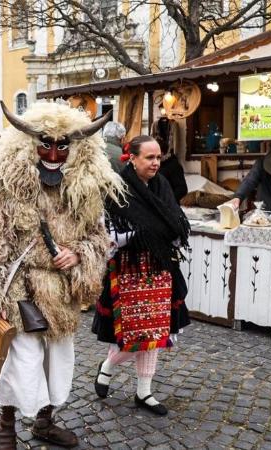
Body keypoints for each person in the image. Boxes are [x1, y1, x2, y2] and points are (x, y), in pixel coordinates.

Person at [0, 102, 123, 449]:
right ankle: (5, 426)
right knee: (19, 359)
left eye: (62, 146)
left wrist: (77, 254)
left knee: (57, 362)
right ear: (26, 145)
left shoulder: (84, 190)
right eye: (44, 143)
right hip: (18, 287)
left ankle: (45, 423)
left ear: (76, 149)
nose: (52, 153)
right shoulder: (6, 186)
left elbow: (97, 237)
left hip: (60, 292)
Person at [92, 135, 191, 416]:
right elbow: (107, 234)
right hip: (129, 268)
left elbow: (175, 222)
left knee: (156, 332)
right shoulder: (117, 189)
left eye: (158, 157)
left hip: (160, 266)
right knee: (136, 333)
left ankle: (144, 392)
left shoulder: (162, 186)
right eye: (149, 157)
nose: (156, 163)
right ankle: (108, 366)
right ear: (131, 158)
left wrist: (161, 233)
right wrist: (145, 233)